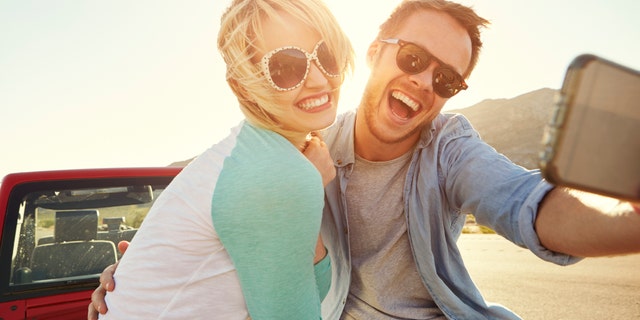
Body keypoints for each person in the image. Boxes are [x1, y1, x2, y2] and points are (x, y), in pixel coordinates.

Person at [90, 0, 640, 319]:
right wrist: (133, 281)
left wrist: (630, 219)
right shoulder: (298, 139)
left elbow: (528, 204)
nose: (424, 83)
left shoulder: (447, 147)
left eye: (446, 79)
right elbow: (214, 202)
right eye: (414, 57)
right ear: (375, 48)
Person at [95, 0, 355, 319]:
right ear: (243, 87)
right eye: (286, 66)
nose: (319, 80)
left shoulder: (254, 155)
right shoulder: (273, 171)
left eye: (327, 55)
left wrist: (309, 185)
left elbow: (309, 286)